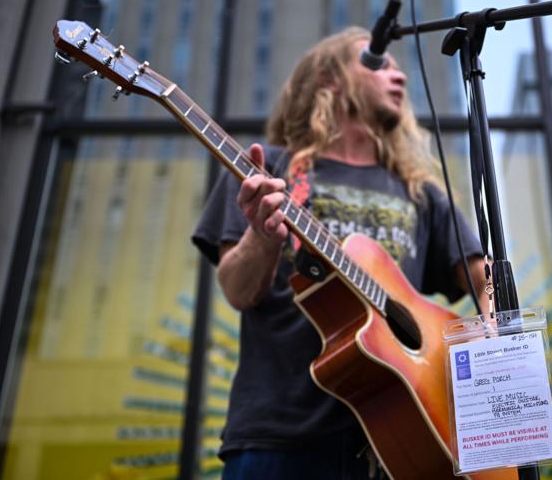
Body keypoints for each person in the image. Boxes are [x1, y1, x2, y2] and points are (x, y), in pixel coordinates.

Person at [192, 26, 489, 479]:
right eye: (378, 62)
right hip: (280, 438)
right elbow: (237, 290)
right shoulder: (269, 170)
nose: (399, 76)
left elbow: (486, 277)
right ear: (329, 79)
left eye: (398, 68)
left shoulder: (421, 193)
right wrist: (263, 236)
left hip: (406, 440)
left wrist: (488, 338)